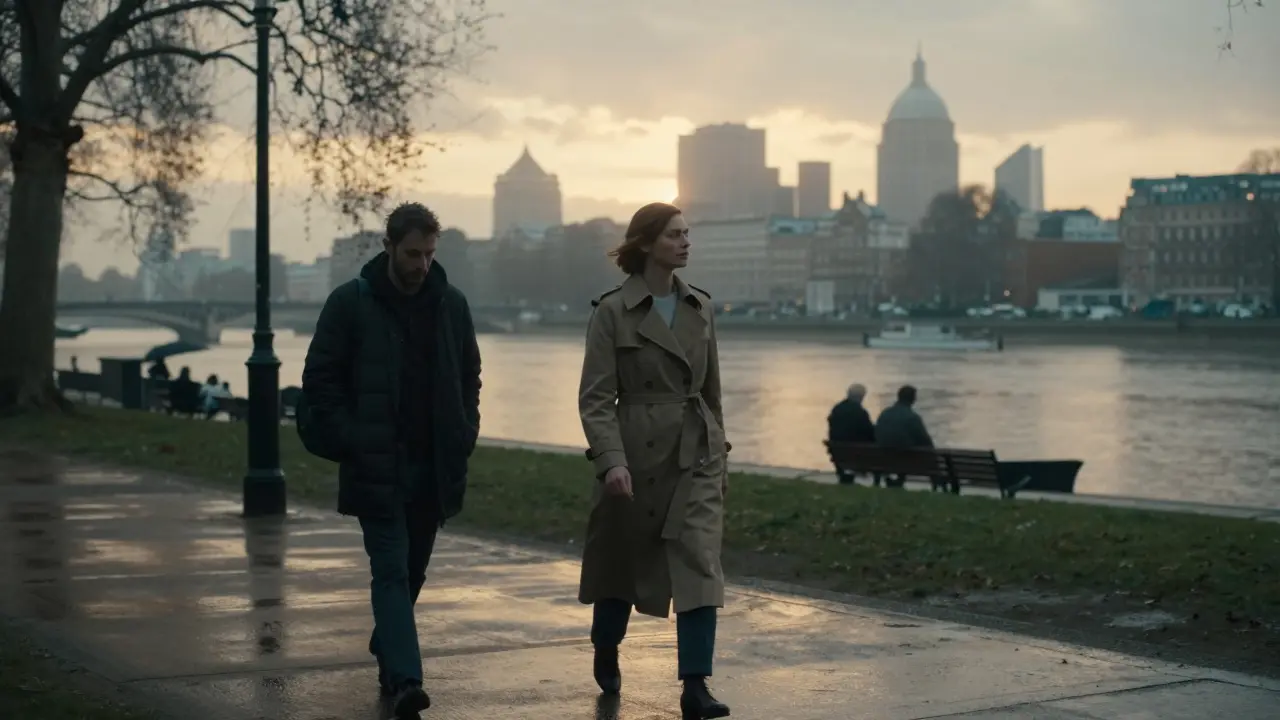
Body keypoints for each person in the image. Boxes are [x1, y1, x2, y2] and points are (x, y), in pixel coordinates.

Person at [301, 202, 482, 718]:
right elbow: (320, 380)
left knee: (413, 569)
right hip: (376, 464)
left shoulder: (452, 305)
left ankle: (389, 642)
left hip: (432, 467)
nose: (422, 264)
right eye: (412, 254)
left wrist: (464, 432)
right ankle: (406, 682)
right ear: (389, 247)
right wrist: (353, 439)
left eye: (429, 254)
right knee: (391, 571)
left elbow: (469, 375)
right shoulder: (349, 303)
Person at [578, 202, 731, 719]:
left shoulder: (700, 307)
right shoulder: (611, 311)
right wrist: (611, 461)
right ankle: (606, 644)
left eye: (687, 233)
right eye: (673, 235)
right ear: (645, 244)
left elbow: (711, 393)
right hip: (635, 455)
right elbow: (596, 398)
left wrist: (719, 455)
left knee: (700, 561)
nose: (685, 243)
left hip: (696, 454)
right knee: (620, 563)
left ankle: (695, 685)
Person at [874, 384, 935, 488]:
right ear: (913, 400)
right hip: (905, 458)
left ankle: (892, 481)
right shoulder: (912, 417)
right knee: (929, 455)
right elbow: (925, 440)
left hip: (883, 456)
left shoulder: (885, 413)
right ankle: (937, 485)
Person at [826, 383, 876, 485]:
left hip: (837, 451)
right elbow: (869, 432)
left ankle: (845, 476)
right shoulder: (860, 412)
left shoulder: (837, 409)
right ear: (861, 397)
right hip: (857, 452)